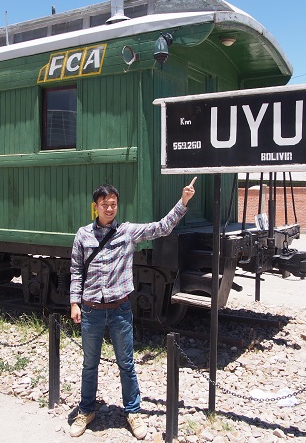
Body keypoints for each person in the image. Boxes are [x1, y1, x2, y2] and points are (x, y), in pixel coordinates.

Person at [69, 178, 197, 439]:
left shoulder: (127, 232)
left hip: (119, 311)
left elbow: (162, 228)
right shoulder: (83, 235)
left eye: (113, 204)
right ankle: (86, 410)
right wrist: (74, 302)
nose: (109, 209)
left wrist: (183, 202)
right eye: (104, 204)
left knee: (126, 364)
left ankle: (133, 412)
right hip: (91, 309)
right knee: (89, 364)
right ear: (95, 206)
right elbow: (75, 271)